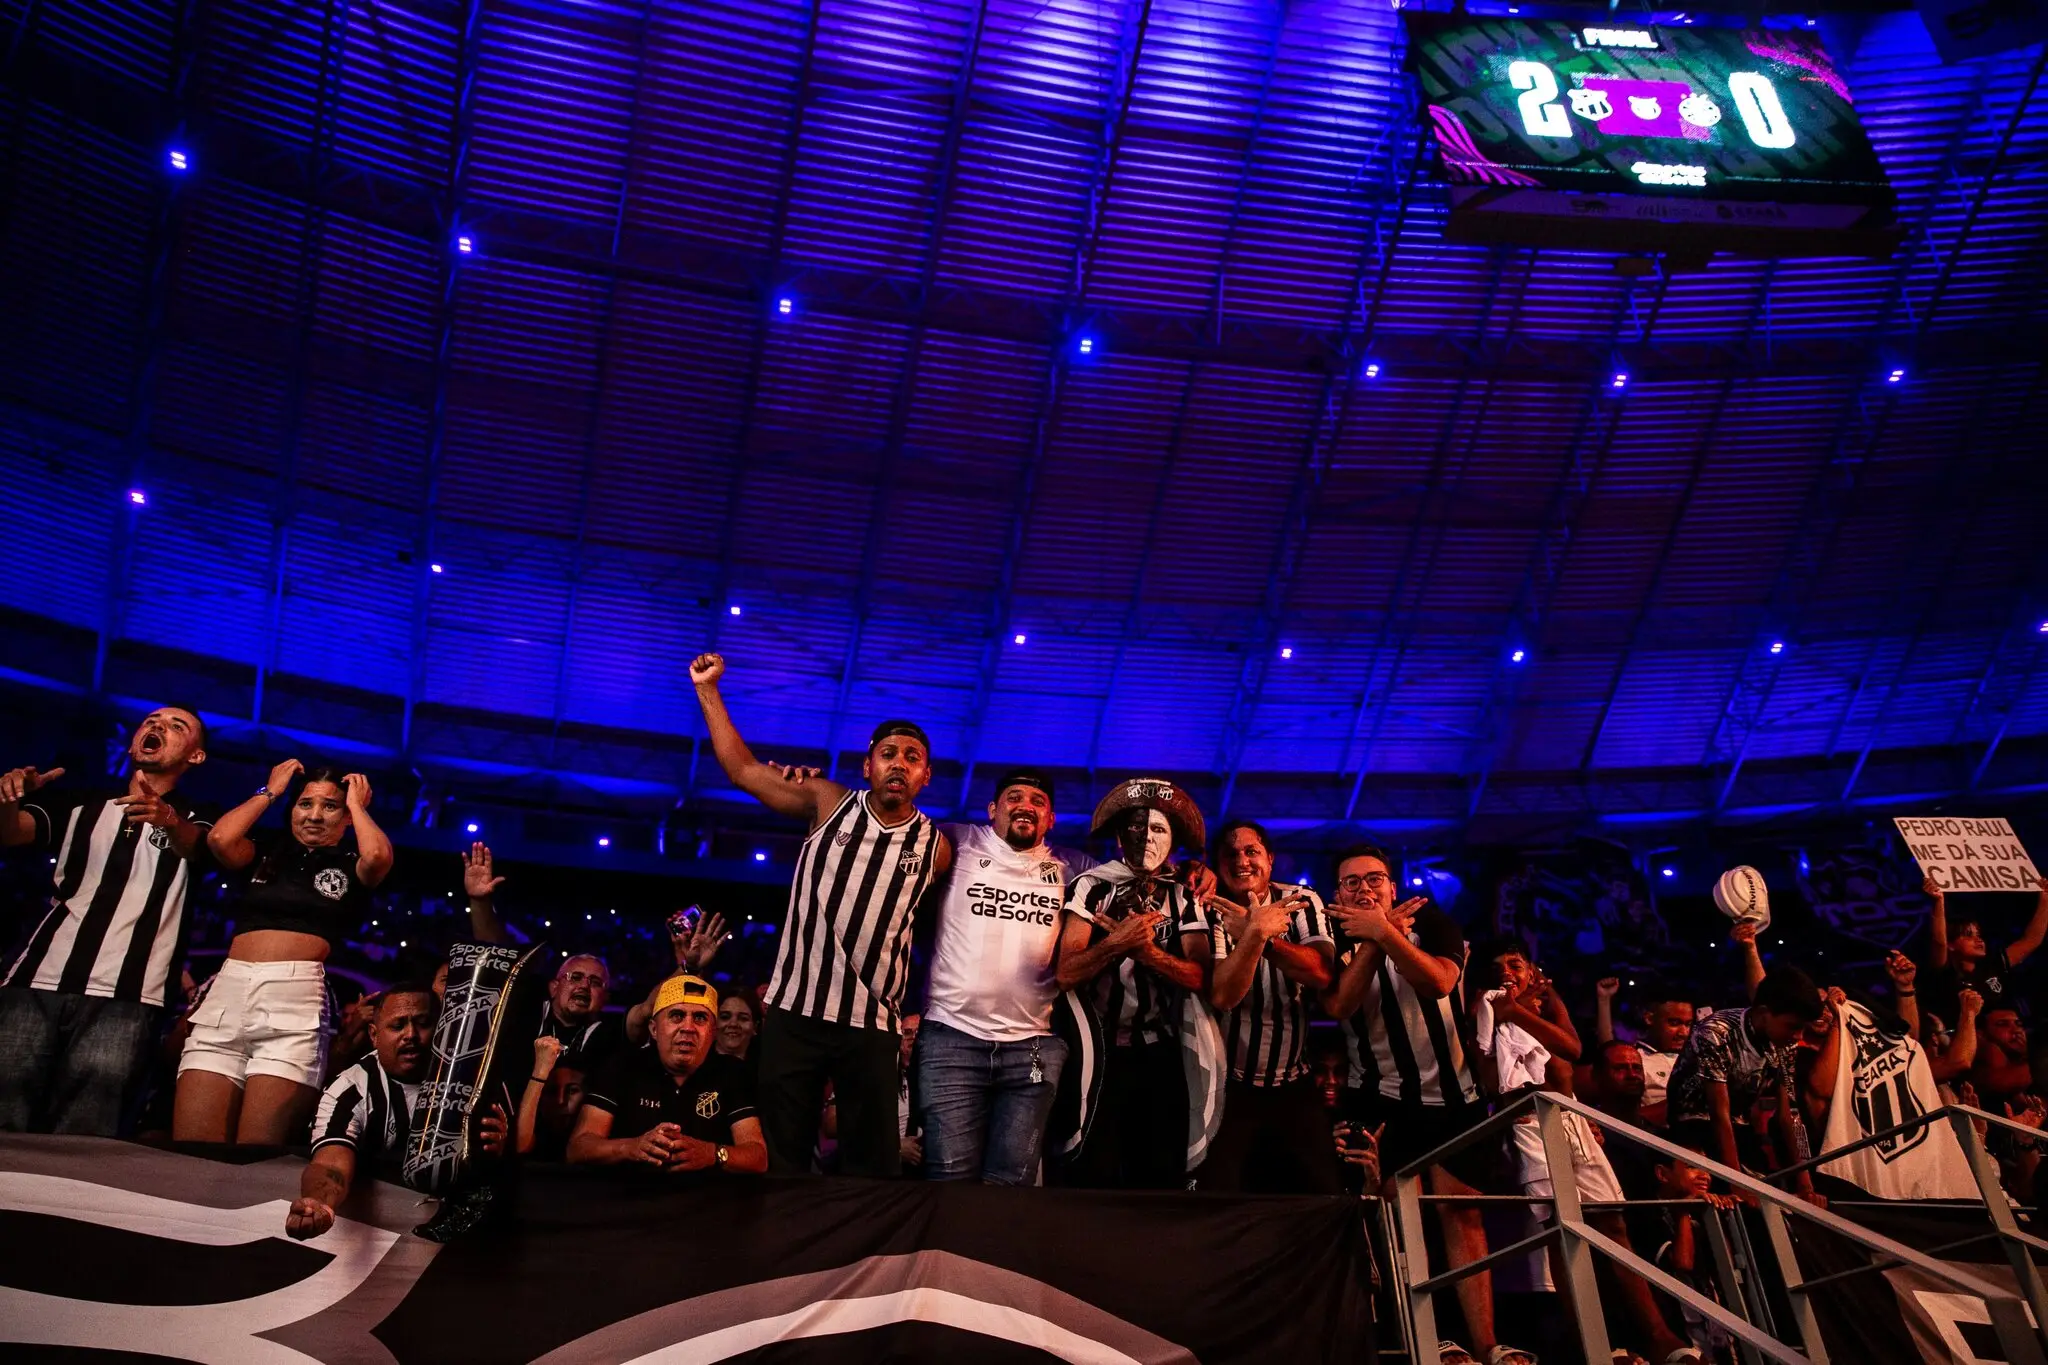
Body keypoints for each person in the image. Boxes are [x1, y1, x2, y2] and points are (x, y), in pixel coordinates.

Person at [689, 652, 950, 1178]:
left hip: (873, 1023)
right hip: (795, 1012)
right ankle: (777, 1256)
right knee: (782, 1155)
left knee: (872, 1163)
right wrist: (708, 690)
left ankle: (863, 1260)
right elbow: (742, 770)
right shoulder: (827, 801)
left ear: (926, 776)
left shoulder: (939, 847)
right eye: (888, 753)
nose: (899, 762)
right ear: (867, 765)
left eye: (912, 757)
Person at [1471, 938, 1699, 1365]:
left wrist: (1541, 996)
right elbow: (1489, 1077)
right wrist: (1512, 1009)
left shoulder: (1530, 1009)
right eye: (1499, 965)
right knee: (1565, 1235)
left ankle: (1658, 1334)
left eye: (1516, 964)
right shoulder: (1486, 1005)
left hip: (1573, 1120)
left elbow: (1573, 1051)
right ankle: (1591, 1341)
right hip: (1532, 1127)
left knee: (1614, 1227)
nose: (1507, 972)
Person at [1321, 845, 1504, 1362]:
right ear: (1338, 894)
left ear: (1393, 887)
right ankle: (1426, 1339)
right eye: (1350, 882)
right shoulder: (1331, 934)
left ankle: (1486, 1345)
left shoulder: (1432, 920)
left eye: (1374, 879)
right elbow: (1338, 1005)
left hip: (1454, 1096)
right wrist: (1378, 936)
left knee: (1462, 1217)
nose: (1363, 889)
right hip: (1379, 1096)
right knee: (1396, 1223)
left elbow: (1439, 981)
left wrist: (1385, 933)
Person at [0, 707, 213, 1135]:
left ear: (195, 756)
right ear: (134, 741)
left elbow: (201, 847)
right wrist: (6, 800)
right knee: (5, 1110)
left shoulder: (198, 818)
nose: (157, 726)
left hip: (131, 996)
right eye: (151, 721)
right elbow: (10, 833)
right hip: (36, 981)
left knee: (85, 1133)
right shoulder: (82, 801)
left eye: (177, 726)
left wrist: (166, 817)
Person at [177, 761, 392, 1145]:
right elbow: (220, 840)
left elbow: (377, 857)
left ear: (346, 819)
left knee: (256, 1154)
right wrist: (271, 791)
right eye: (304, 804)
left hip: (294, 998)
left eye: (330, 806)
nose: (313, 815)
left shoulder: (349, 864)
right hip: (229, 989)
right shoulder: (264, 853)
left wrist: (358, 806)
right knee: (193, 1148)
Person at [1052, 778, 1221, 1190]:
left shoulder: (1184, 895)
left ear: (1173, 840)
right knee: (1092, 1170)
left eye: (1158, 829)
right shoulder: (1091, 886)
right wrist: (1116, 944)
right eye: (1136, 826)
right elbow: (1066, 972)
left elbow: (1200, 976)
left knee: (1159, 1171)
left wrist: (1146, 954)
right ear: (1118, 834)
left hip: (1159, 1055)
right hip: (1097, 1052)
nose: (1145, 837)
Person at [915, 769, 1076, 1185]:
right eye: (1014, 797)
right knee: (948, 1179)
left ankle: (989, 1254)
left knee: (1012, 1184)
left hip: (1032, 1045)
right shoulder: (957, 840)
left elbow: (1128, 873)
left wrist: (1187, 869)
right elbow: (893, 824)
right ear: (992, 809)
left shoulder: (1072, 867)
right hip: (952, 1037)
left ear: (1051, 818)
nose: (1026, 805)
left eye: (1038, 801)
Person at [1196, 819, 1341, 1194]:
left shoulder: (1301, 900)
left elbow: (1323, 973)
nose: (1241, 860)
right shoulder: (1210, 909)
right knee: (1223, 1195)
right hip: (1229, 1086)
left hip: (1294, 1081)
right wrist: (1257, 933)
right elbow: (1223, 995)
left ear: (1270, 859)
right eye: (1230, 853)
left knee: (1319, 1192)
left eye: (1251, 851)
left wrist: (1260, 937)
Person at [287, 986, 497, 1238]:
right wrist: (320, 1204)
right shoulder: (350, 1090)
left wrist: (501, 1148)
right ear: (374, 1035)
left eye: (423, 1023)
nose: (411, 1035)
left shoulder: (471, 1079)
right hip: (384, 1233)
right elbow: (331, 1163)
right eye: (397, 1026)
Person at [567, 974, 767, 1180]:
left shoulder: (733, 1073)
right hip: (629, 1202)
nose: (688, 1028)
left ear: (713, 1031)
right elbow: (579, 1146)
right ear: (654, 1029)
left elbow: (758, 1156)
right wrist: (631, 1147)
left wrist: (712, 1154)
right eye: (676, 1016)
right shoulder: (622, 1066)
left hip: (708, 1206)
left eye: (700, 1018)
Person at [461, 843, 639, 1067]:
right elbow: (496, 956)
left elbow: (644, 1013)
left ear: (606, 998)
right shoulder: (526, 1012)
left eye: (595, 982)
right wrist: (480, 902)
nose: (584, 986)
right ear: (553, 987)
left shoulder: (611, 1037)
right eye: (575, 977)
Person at [1664, 967, 1824, 1201]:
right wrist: (1736, 1184)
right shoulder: (1715, 1032)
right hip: (1693, 1130)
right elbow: (1718, 1114)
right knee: (1751, 1201)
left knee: (1778, 1195)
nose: (1799, 1036)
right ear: (1763, 1012)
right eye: (1793, 1026)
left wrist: (1806, 1183)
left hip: (1738, 1128)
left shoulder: (1785, 1042)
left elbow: (1790, 1113)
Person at [1925, 873, 2048, 1025]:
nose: (1978, 940)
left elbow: (2031, 940)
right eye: (1968, 935)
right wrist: (1938, 901)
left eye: (1979, 934)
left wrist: (2045, 898)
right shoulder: (1944, 970)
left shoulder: (1992, 964)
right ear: (1951, 945)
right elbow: (1939, 942)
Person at [1596, 978, 1695, 1128]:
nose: (1683, 1032)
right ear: (1649, 1019)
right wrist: (1604, 1000)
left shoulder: (1697, 1058)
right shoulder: (1635, 1059)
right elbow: (1608, 1049)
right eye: (1674, 1023)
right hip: (1653, 1136)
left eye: (1688, 1024)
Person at [512, 1034, 587, 1160]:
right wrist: (540, 1072)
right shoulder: (538, 1138)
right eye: (551, 1091)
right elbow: (521, 1145)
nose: (560, 1101)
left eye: (572, 1091)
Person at [716, 989, 761, 1068]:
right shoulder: (693, 1069)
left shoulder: (768, 1072)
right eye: (725, 1017)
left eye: (743, 1018)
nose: (733, 1024)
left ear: (755, 1027)